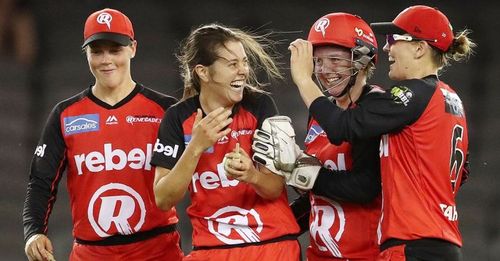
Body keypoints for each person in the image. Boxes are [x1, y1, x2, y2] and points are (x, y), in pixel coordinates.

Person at [289, 5, 475, 261]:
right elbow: (462, 170)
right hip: (439, 239)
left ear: (419, 48)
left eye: (393, 40)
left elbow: (342, 128)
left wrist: (303, 80)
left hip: (413, 242)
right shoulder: (449, 98)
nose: (386, 47)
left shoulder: (412, 94)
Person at [23, 8, 183, 261]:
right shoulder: (65, 115)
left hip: (157, 250)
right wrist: (33, 232)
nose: (106, 59)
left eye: (115, 50)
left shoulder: (165, 110)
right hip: (91, 253)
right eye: (96, 51)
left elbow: (200, 172)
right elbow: (41, 181)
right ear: (86, 53)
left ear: (133, 48)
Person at [151, 23, 301, 261]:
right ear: (203, 72)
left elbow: (274, 188)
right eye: (233, 64)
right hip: (212, 250)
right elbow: (163, 198)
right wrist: (196, 146)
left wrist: (251, 174)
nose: (243, 71)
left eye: (244, 62)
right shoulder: (177, 117)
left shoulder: (259, 105)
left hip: (271, 245)